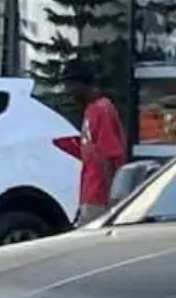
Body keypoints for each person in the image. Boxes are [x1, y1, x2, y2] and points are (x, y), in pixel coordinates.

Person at [53, 63, 128, 223]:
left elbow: (109, 156)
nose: (67, 91)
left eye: (70, 85)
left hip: (99, 198)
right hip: (90, 195)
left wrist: (110, 200)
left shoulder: (102, 110)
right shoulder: (91, 109)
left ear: (82, 84)